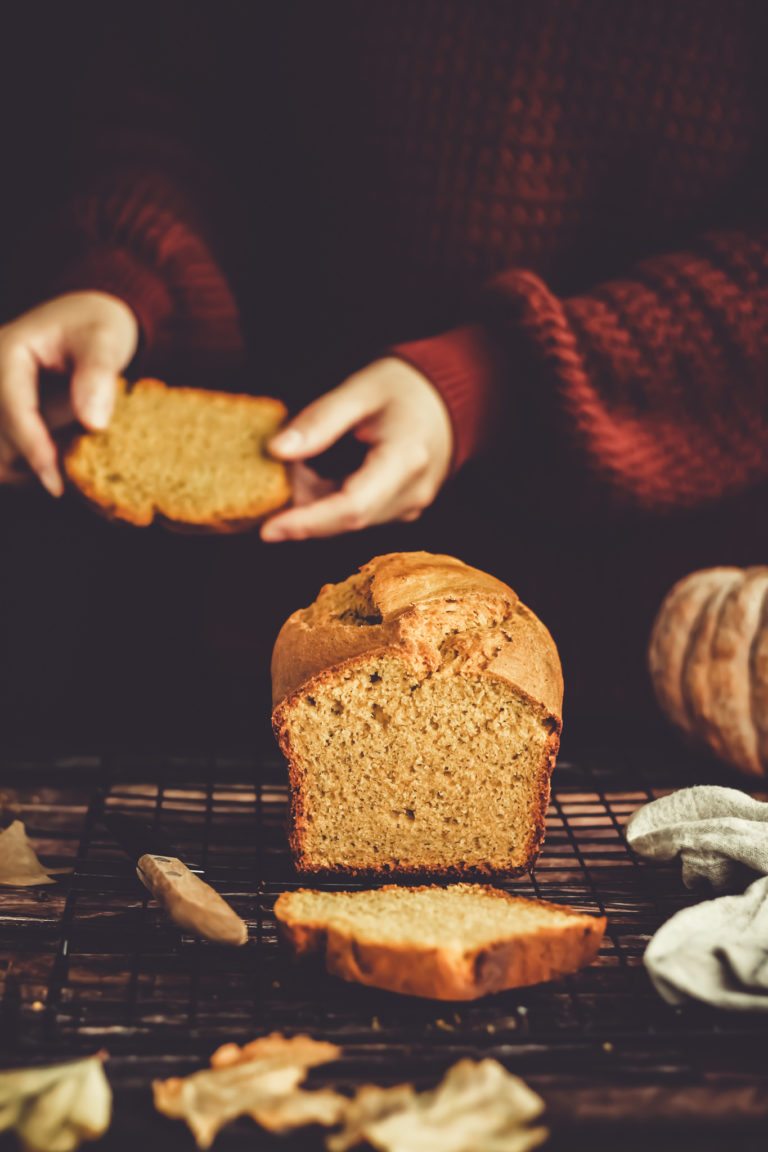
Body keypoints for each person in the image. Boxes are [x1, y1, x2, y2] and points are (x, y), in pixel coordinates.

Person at [0, 0, 766, 743]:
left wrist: (496, 379)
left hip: (676, 646)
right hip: (242, 607)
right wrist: (123, 276)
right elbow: (171, 93)